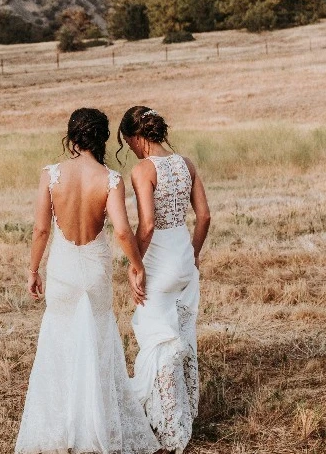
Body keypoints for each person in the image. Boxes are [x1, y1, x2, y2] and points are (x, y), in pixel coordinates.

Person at [16, 108, 160, 454]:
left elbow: (40, 230)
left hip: (64, 269)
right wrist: (137, 264)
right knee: (97, 341)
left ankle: (61, 427)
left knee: (60, 340)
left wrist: (33, 269)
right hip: (94, 270)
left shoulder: (50, 175)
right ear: (103, 138)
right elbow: (123, 231)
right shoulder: (110, 179)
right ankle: (94, 426)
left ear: (71, 137)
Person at [117, 106, 211, 454]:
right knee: (183, 337)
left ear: (137, 137)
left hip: (159, 261)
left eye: (128, 142)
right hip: (185, 260)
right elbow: (204, 216)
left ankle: (170, 430)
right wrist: (194, 252)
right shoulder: (186, 164)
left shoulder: (143, 171)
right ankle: (187, 414)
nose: (129, 149)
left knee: (159, 341)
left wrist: (135, 263)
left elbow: (148, 225)